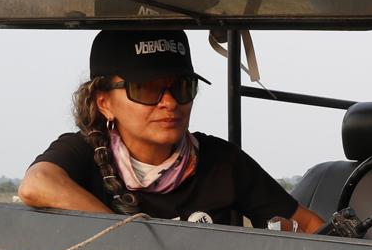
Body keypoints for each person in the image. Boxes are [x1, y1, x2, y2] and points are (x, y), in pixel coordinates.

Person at [20, 29, 320, 230]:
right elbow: (37, 184)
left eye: (181, 87)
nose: (169, 103)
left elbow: (310, 227)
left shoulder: (222, 161)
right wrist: (125, 237)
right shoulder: (82, 151)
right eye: (147, 89)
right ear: (104, 103)